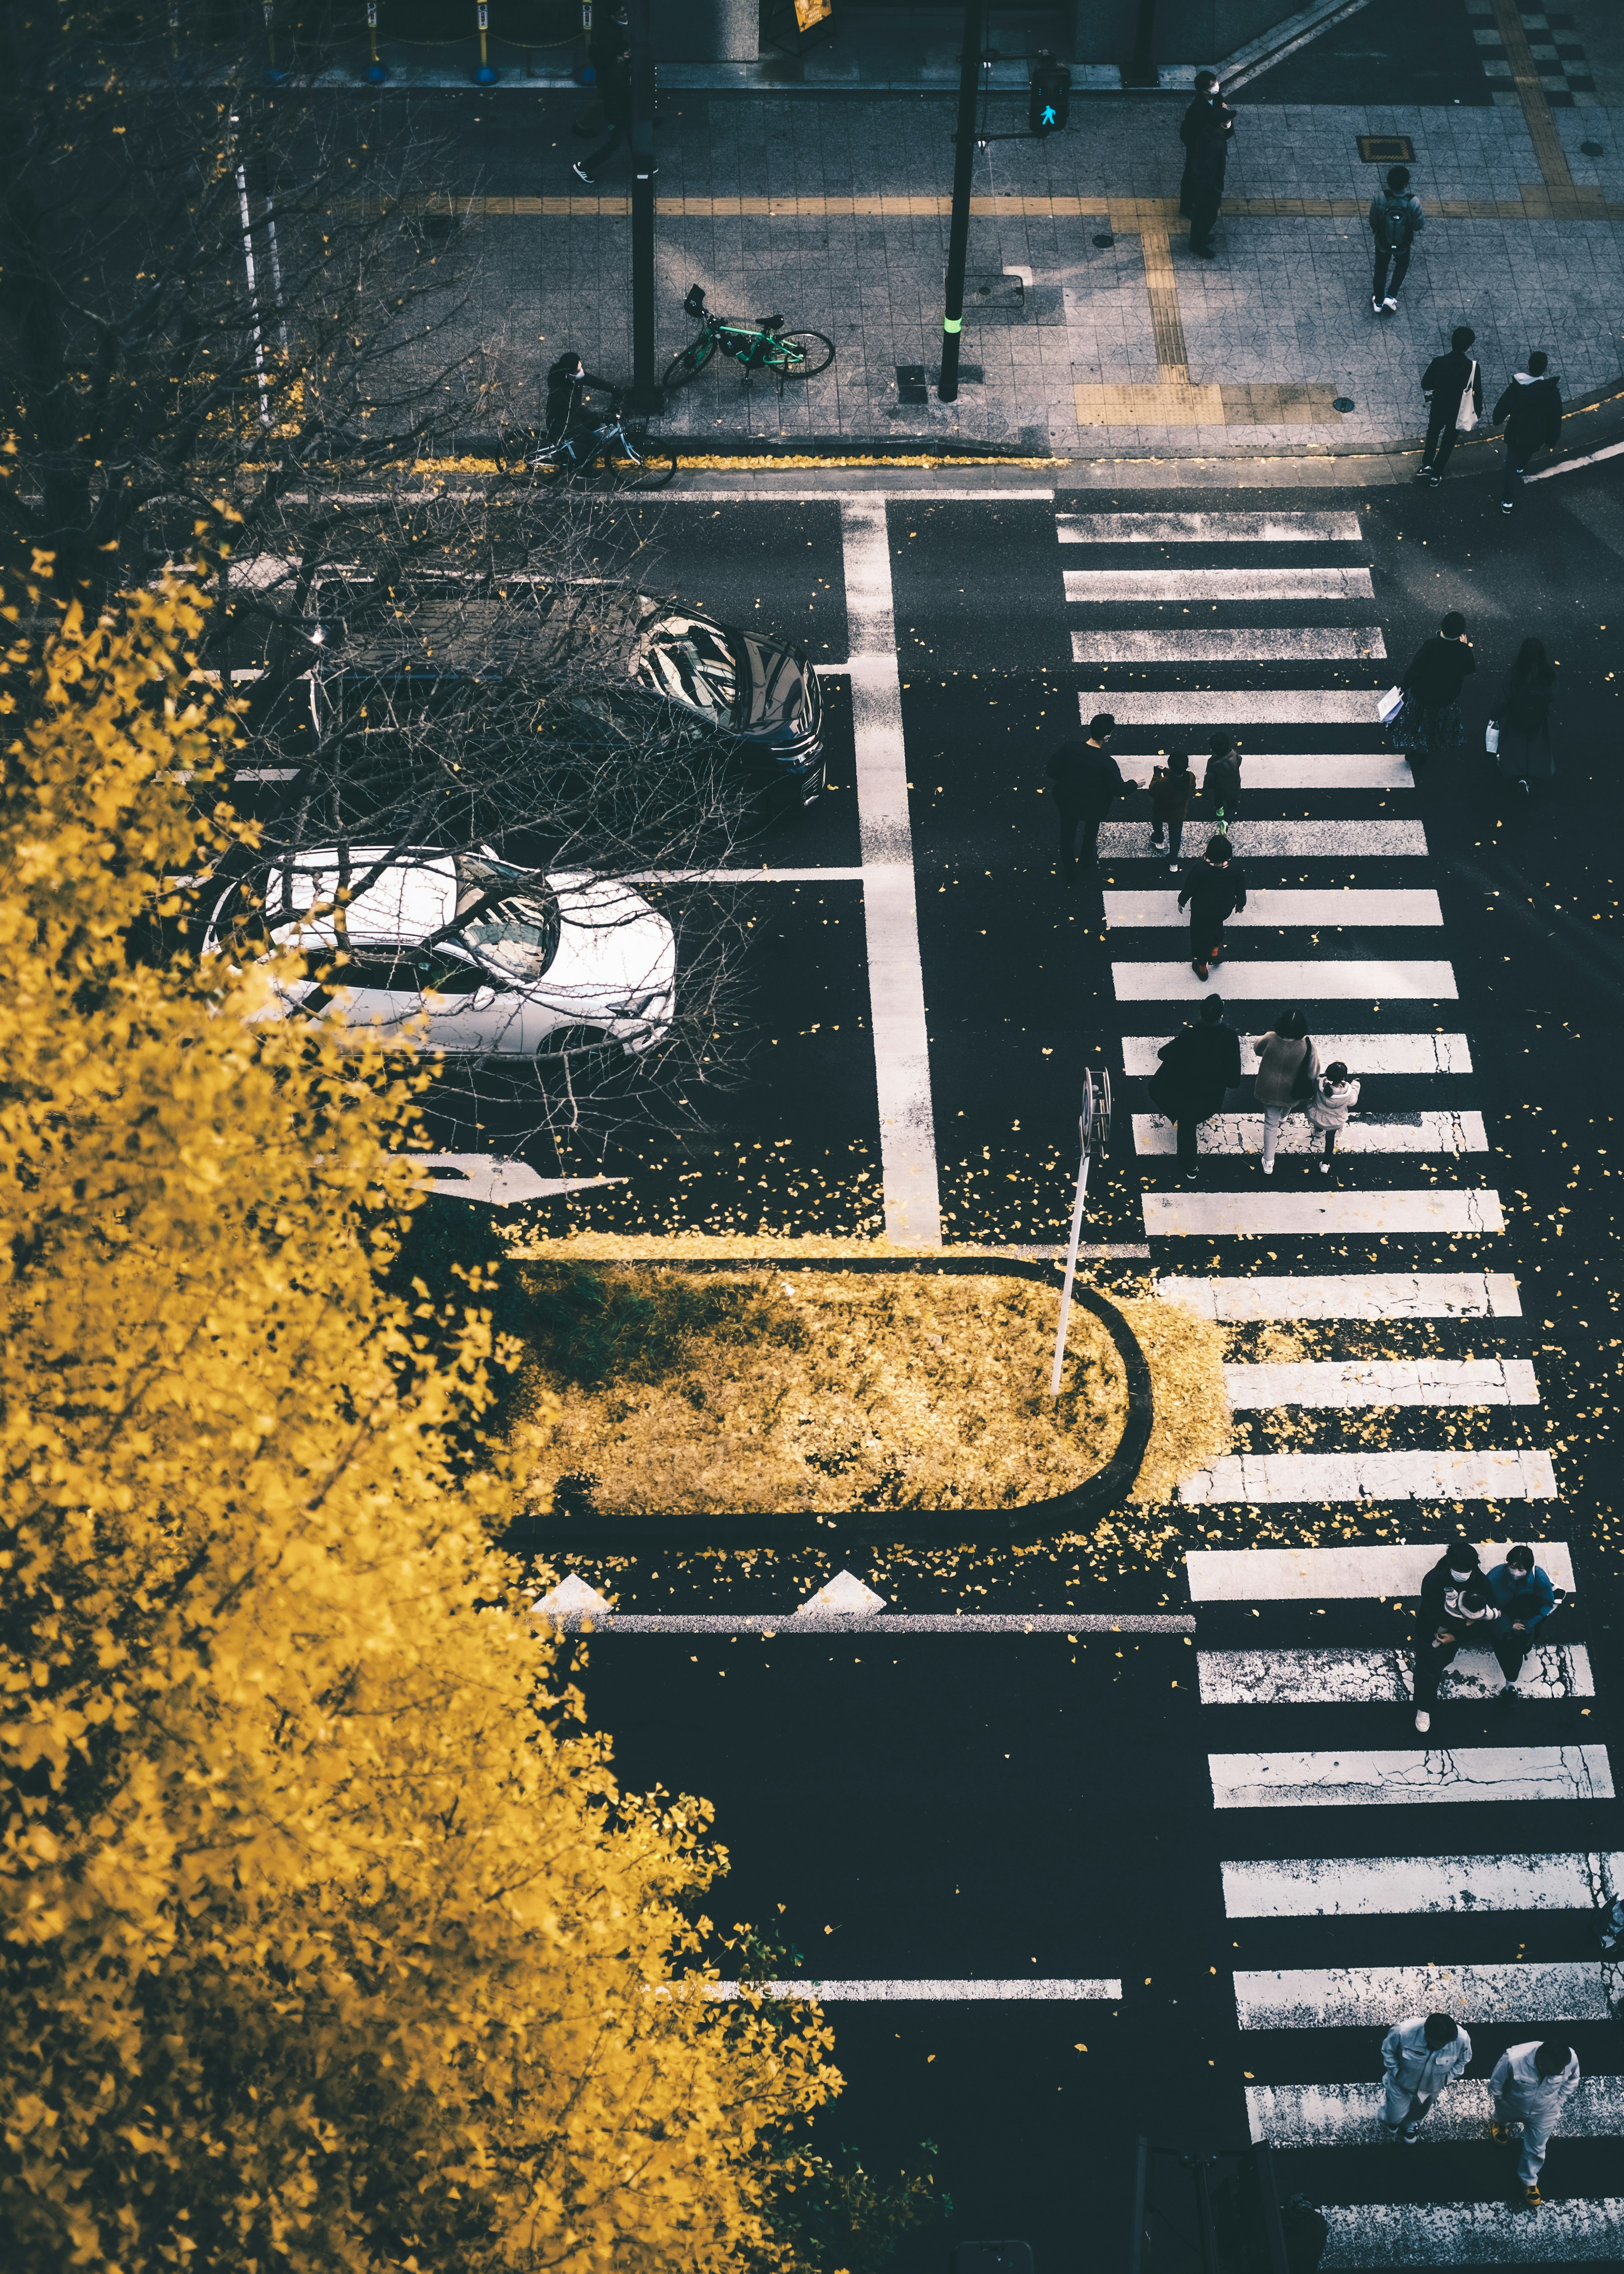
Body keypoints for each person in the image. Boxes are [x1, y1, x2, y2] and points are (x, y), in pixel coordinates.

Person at [1150, 994, 1241, 1181]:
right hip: (1210, 1098)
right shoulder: (1230, 1038)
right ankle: (1190, 1167)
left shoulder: (1189, 1034)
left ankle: (1191, 1166)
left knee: (1186, 1122)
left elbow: (1163, 1054)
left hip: (1183, 1091)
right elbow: (1234, 1081)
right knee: (1188, 1123)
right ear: (1222, 1015)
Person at [1412, 1538, 1496, 1732]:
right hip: (1430, 1633)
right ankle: (1424, 1708)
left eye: (1467, 1569)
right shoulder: (1433, 1581)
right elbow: (1434, 1614)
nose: (1463, 1573)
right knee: (1430, 1672)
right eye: (1459, 1568)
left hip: (1454, 1638)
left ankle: (1425, 1673)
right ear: (1451, 1565)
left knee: (1439, 1663)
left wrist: (1456, 1637)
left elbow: (1488, 1613)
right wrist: (1469, 1621)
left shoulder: (1482, 1583)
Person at [1491, 2039, 1581, 2208]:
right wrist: (1501, 2100)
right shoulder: (1514, 2059)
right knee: (1503, 2117)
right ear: (1541, 2058)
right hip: (1513, 2104)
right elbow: (1497, 2082)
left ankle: (1529, 2180)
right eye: (1550, 2071)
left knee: (1537, 2147)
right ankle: (1501, 2123)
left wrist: (1559, 2102)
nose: (1555, 2075)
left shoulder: (1571, 2059)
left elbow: (1573, 2080)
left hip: (1546, 2111)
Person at [1047, 714, 1126, 879]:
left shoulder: (1070, 748)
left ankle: (1070, 870)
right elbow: (1119, 790)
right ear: (1107, 737)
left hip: (1067, 801)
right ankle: (1085, 861)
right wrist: (1135, 783)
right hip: (1093, 807)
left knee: (1067, 835)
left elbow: (1052, 770)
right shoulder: (1107, 763)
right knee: (1091, 832)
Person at [1394, 610, 1475, 769]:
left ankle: (1416, 751)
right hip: (1445, 698)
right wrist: (1465, 647)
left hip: (1423, 695)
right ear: (1461, 633)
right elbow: (1469, 669)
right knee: (1434, 724)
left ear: (1442, 628)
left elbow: (1415, 670)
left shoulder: (1430, 645)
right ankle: (1429, 746)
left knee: (1418, 723)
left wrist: (1404, 686)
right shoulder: (1462, 650)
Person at [1380, 2012, 1473, 2144]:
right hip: (1401, 2084)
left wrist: (1447, 2078)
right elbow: (1388, 2051)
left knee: (1420, 2112)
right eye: (1441, 2043)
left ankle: (1411, 2124)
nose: (1445, 2046)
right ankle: (1392, 2121)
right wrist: (1397, 2073)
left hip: (1432, 2087)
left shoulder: (1462, 2039)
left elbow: (1464, 2059)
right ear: (1427, 2035)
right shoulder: (1403, 2032)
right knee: (1394, 2116)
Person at [1493, 351, 1562, 514]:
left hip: (1516, 433)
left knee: (1511, 464)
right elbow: (1555, 419)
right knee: (1528, 453)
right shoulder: (1552, 393)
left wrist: (1497, 419)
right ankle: (1521, 468)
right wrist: (1552, 440)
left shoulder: (1518, 388)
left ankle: (1508, 500)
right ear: (1546, 369)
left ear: (1528, 367)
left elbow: (1503, 407)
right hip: (1537, 435)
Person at [1485, 1543, 1558, 1697]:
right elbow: (1488, 1604)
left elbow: (1547, 1603)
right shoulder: (1495, 1576)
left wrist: (1527, 1624)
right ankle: (1510, 1684)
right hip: (1499, 1625)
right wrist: (1509, 1625)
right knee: (1503, 1653)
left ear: (1529, 1569)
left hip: (1526, 1625)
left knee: (1516, 1654)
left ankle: (1510, 1684)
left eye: (1521, 1570)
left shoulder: (1539, 1576)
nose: (1515, 1573)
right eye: (1512, 1567)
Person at [1250, 1011, 1316, 1175]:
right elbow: (1313, 1072)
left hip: (1268, 1088)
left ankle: (1269, 1161)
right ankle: (1285, 1116)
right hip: (1292, 1090)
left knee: (1270, 1125)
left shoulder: (1270, 1038)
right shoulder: (1307, 1045)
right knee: (1287, 1105)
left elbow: (1257, 1049)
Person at [572, 12, 634, 184]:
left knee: (631, 134)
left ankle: (643, 163)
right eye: (628, 53)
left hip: (619, 113)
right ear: (620, 56)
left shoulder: (619, 67)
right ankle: (584, 167)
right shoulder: (616, 75)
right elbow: (624, 96)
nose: (630, 55)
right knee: (615, 145)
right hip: (618, 116)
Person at [1416, 326, 1483, 486]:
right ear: (1469, 347)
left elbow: (1426, 384)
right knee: (1448, 442)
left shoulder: (1439, 362)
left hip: (1439, 406)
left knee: (1433, 433)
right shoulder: (1473, 367)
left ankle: (1426, 464)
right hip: (1458, 411)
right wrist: (1477, 412)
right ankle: (1436, 474)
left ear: (1451, 342)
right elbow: (1478, 392)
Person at [1491, 636, 1556, 796]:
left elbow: (1504, 697)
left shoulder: (1515, 674)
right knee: (1534, 745)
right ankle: (1529, 778)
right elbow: (1552, 696)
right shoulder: (1549, 675)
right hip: (1538, 718)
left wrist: (1496, 716)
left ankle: (1516, 773)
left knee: (1515, 744)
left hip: (1515, 717)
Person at [1180, 70, 1234, 258]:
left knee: (1205, 210)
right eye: (1213, 84)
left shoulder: (1218, 99)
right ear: (1205, 90)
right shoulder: (1196, 110)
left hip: (1206, 152)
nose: (1217, 86)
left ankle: (1198, 235)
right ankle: (1195, 236)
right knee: (1206, 210)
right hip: (1201, 157)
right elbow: (1186, 134)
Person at [1179, 835, 1246, 982]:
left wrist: (1182, 901)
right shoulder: (1235, 868)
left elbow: (1190, 888)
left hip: (1202, 911)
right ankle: (1214, 953)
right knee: (1216, 926)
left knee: (1200, 938)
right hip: (1224, 909)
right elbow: (1241, 889)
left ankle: (1202, 967)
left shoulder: (1200, 869)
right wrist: (1241, 904)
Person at [1369, 163, 1424, 315]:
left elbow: (1373, 220)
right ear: (1407, 184)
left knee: (1381, 268)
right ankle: (1390, 297)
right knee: (1402, 264)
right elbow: (1418, 226)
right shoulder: (1413, 202)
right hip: (1402, 244)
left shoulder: (1381, 197)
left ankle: (1378, 301)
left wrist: (1378, 233)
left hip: (1382, 243)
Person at [573, 0, 629, 136]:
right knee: (602, 100)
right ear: (613, 15)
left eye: (625, 11)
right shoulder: (610, 34)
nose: (626, 15)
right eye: (622, 13)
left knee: (606, 98)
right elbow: (607, 59)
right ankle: (581, 125)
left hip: (611, 72)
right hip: (610, 74)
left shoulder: (612, 27)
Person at [1304, 1060, 1359, 1175]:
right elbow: (1352, 1102)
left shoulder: (1319, 1084)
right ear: (1344, 1077)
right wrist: (1355, 1085)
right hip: (1334, 1121)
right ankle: (1325, 1165)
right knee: (1330, 1140)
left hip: (1317, 1115)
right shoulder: (1347, 1092)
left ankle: (1318, 1132)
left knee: (1319, 1123)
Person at [1148, 750, 1196, 869]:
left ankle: (1159, 839)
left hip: (1161, 810)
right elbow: (1183, 781)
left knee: (1157, 822)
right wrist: (1167, 771)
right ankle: (1173, 861)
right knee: (1176, 836)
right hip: (1178, 814)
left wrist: (1158, 774)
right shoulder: (1190, 777)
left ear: (1170, 764)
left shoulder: (1163, 783)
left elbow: (1152, 792)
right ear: (1186, 766)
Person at [1204, 733, 1243, 825]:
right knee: (1232, 806)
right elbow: (1240, 760)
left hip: (1220, 790)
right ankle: (1226, 822)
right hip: (1234, 787)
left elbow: (1209, 780)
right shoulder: (1234, 755)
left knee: (1218, 800)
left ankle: (1220, 812)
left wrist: (1207, 793)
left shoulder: (1213, 763)